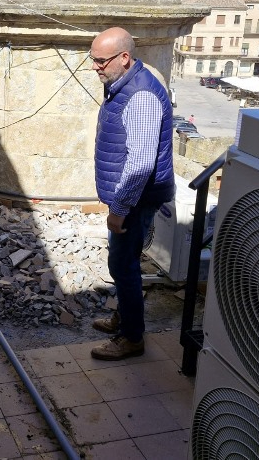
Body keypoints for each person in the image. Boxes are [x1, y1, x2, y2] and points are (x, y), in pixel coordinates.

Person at [88, 28, 175, 360]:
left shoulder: (141, 96)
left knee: (123, 265)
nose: (95, 66)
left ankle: (132, 337)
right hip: (130, 199)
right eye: (92, 59)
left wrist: (120, 208)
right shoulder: (122, 85)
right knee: (122, 262)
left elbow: (140, 163)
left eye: (100, 60)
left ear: (124, 58)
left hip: (136, 201)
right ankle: (124, 318)